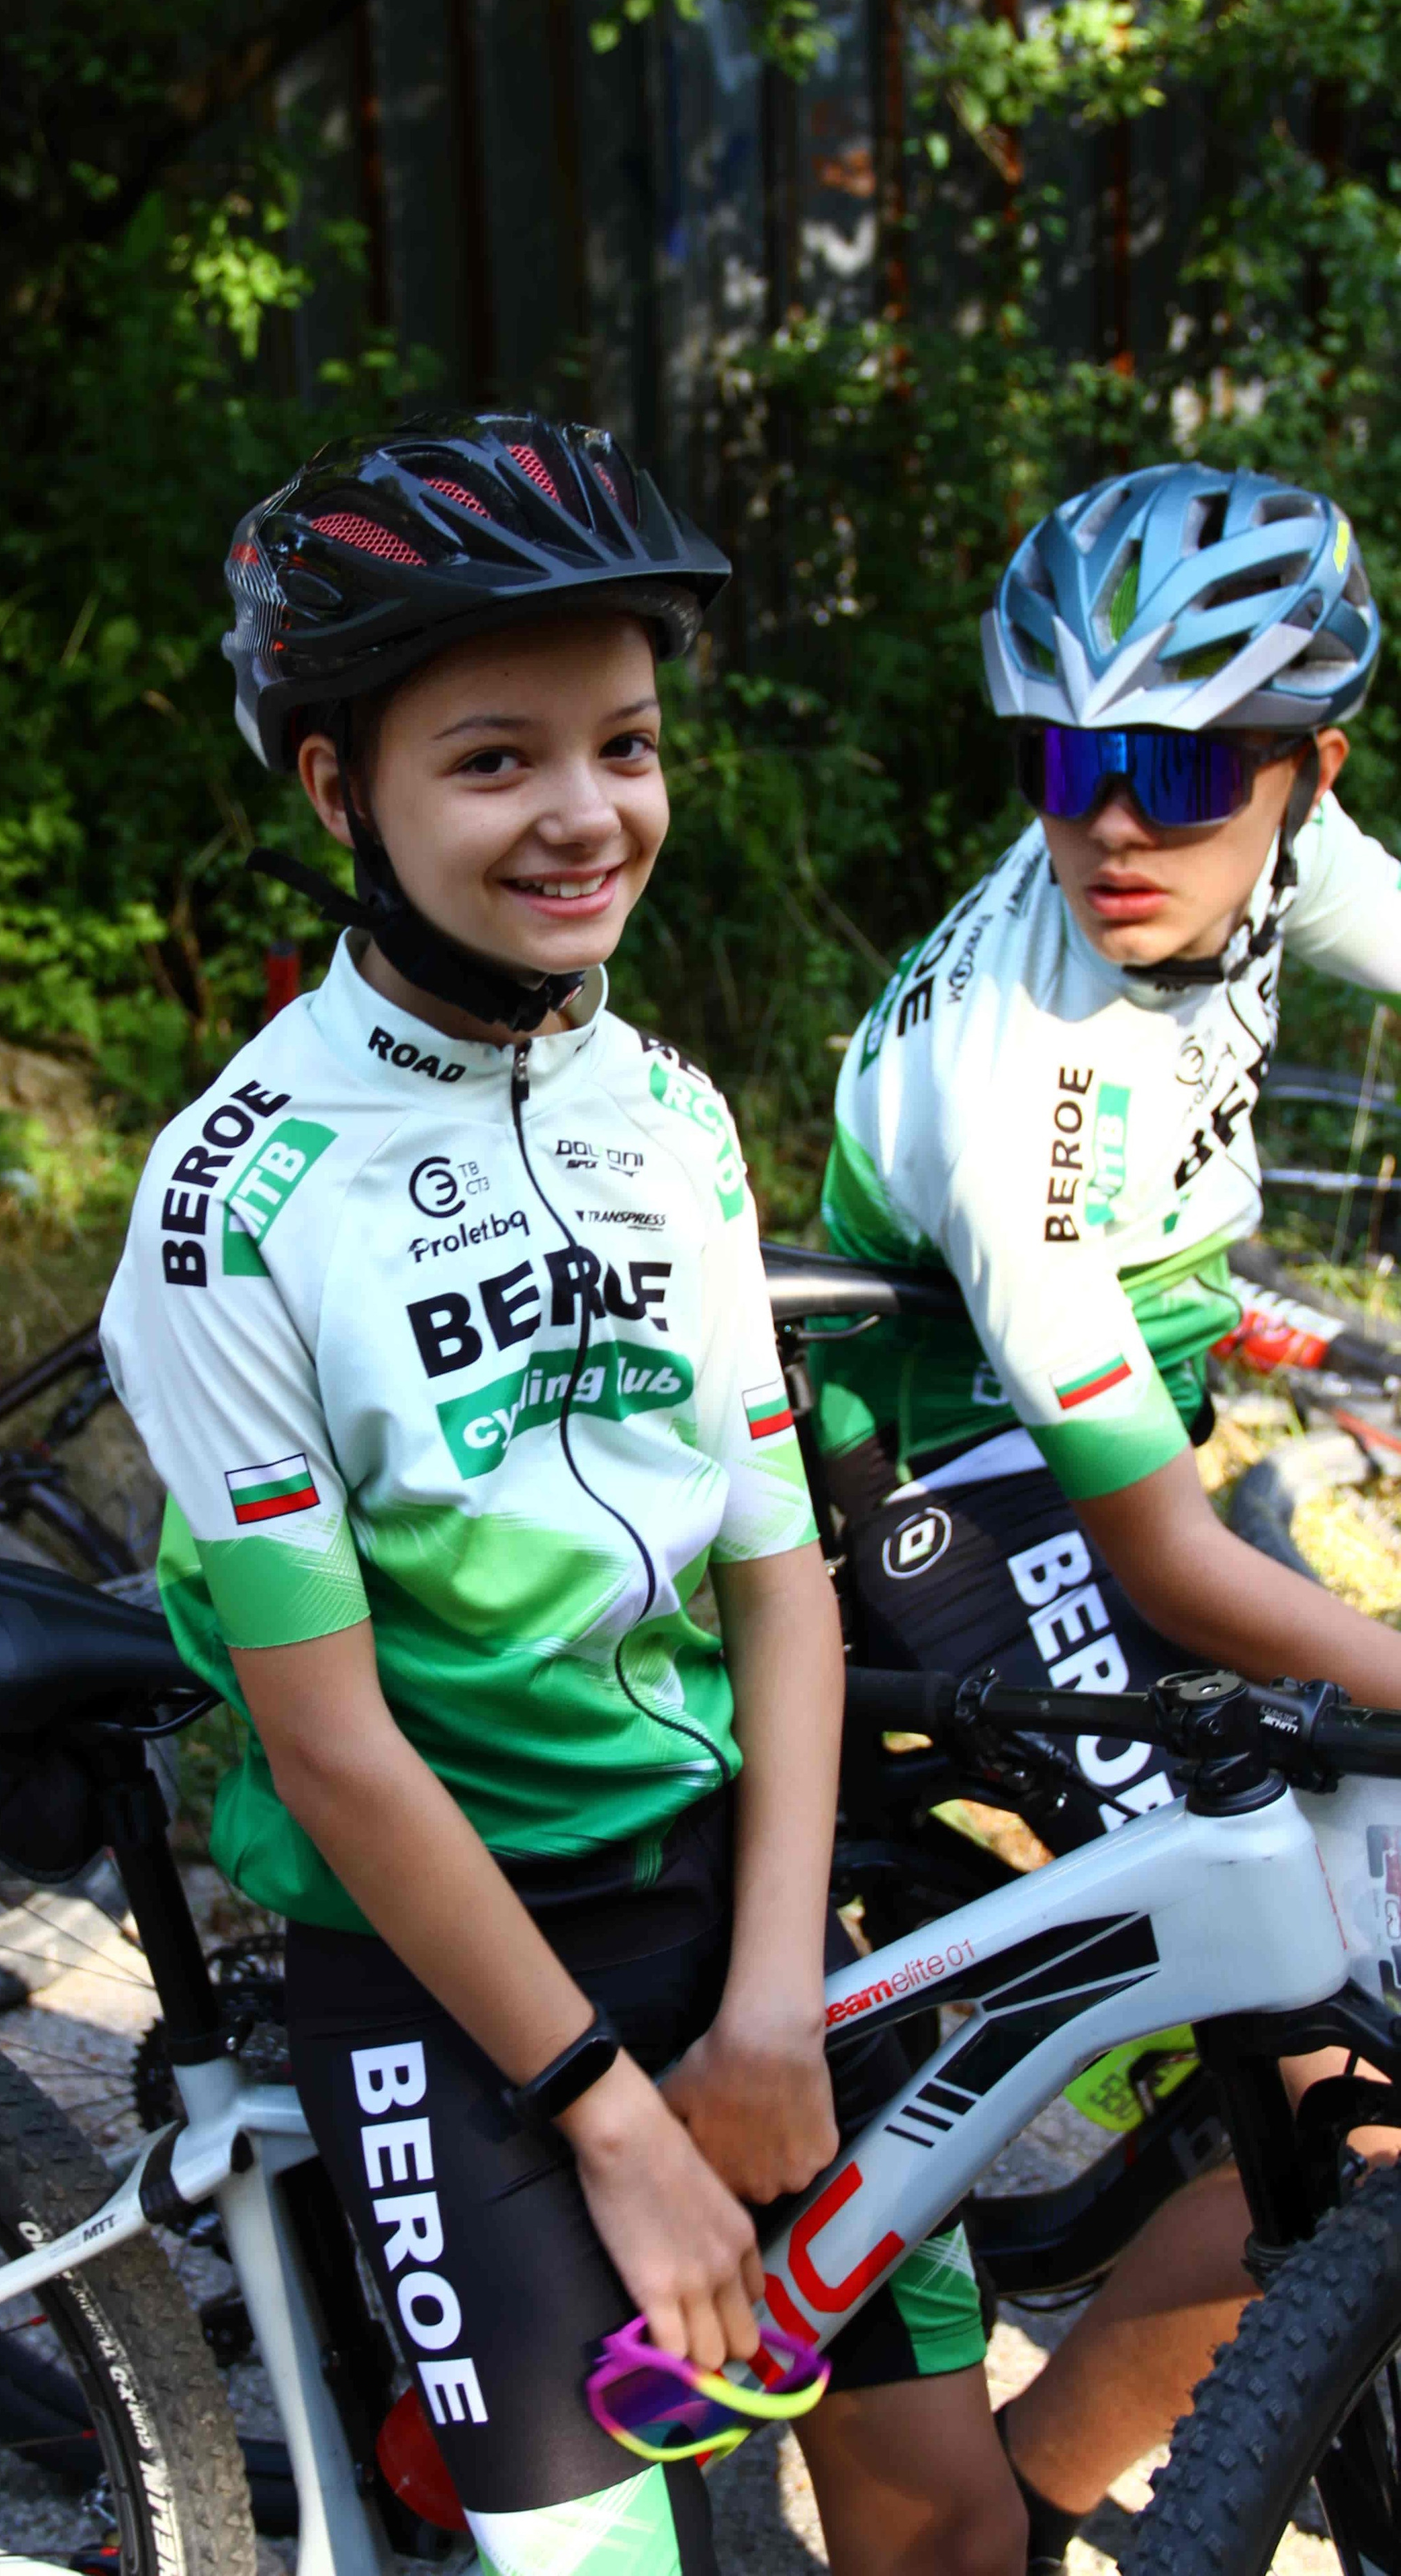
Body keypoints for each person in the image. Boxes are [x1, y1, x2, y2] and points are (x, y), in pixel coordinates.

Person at [102, 412, 1023, 2575]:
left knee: (949, 2532)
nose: (587, 812)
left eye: (626, 744)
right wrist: (609, 2117)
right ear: (339, 790)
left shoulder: (672, 1116)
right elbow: (331, 1747)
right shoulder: (237, 1201)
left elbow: (780, 1585)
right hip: (448, 1986)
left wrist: (774, 2006)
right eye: (495, 759)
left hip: (731, 1906)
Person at [810, 459, 1398, 2561]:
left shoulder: (1267, 855)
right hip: (963, 1487)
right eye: (1066, 763)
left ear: (1308, 775)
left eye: (1178, 766)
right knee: (1351, 2096)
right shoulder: (1025, 1085)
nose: (1116, 826)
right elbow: (1165, 1563)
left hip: (1110, 1432)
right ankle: (1047, 2504)